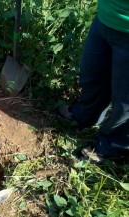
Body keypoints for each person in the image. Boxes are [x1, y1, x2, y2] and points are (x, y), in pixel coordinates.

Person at [58, 0, 129, 163]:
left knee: (125, 101)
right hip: (106, 16)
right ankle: (87, 114)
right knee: (92, 73)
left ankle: (113, 146)